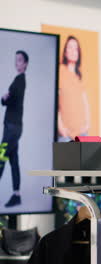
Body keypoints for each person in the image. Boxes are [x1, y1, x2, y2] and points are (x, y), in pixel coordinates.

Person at [0, 51, 28, 207]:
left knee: (1, 157)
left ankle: (16, 194)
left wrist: (5, 97)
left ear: (25, 64)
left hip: (12, 127)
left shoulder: (19, 80)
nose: (16, 63)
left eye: (19, 60)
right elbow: (7, 101)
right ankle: (17, 195)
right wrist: (4, 98)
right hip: (13, 126)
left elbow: (12, 100)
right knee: (13, 160)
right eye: (16, 60)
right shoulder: (19, 80)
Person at [57, 36, 90, 142]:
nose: (73, 51)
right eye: (69, 47)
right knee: (64, 159)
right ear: (65, 52)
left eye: (75, 48)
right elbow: (54, 101)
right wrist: (60, 126)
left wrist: (87, 124)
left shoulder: (79, 76)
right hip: (65, 134)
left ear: (78, 53)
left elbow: (85, 102)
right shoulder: (60, 71)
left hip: (82, 133)